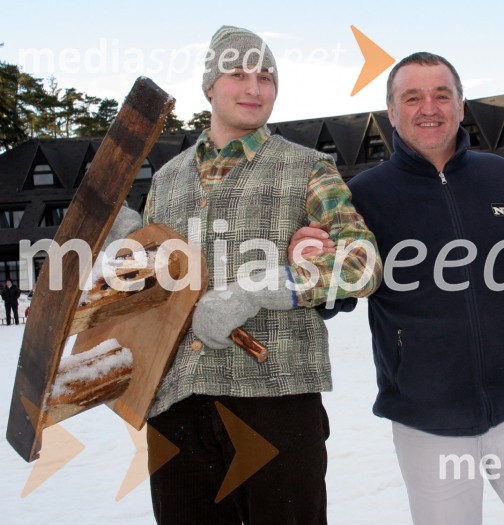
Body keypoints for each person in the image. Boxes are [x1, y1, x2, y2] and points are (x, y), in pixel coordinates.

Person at [137, 25, 381, 525]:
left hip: (277, 400)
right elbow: (151, 288)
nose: (254, 87)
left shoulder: (308, 168)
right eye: (238, 73)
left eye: (266, 76)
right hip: (176, 404)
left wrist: (263, 289)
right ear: (210, 86)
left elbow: (362, 263)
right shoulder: (165, 180)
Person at [340, 52, 504, 525]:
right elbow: (333, 292)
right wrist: (303, 255)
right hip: (427, 421)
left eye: (441, 95)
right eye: (413, 97)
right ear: (392, 111)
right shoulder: (363, 196)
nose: (430, 107)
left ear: (461, 106)